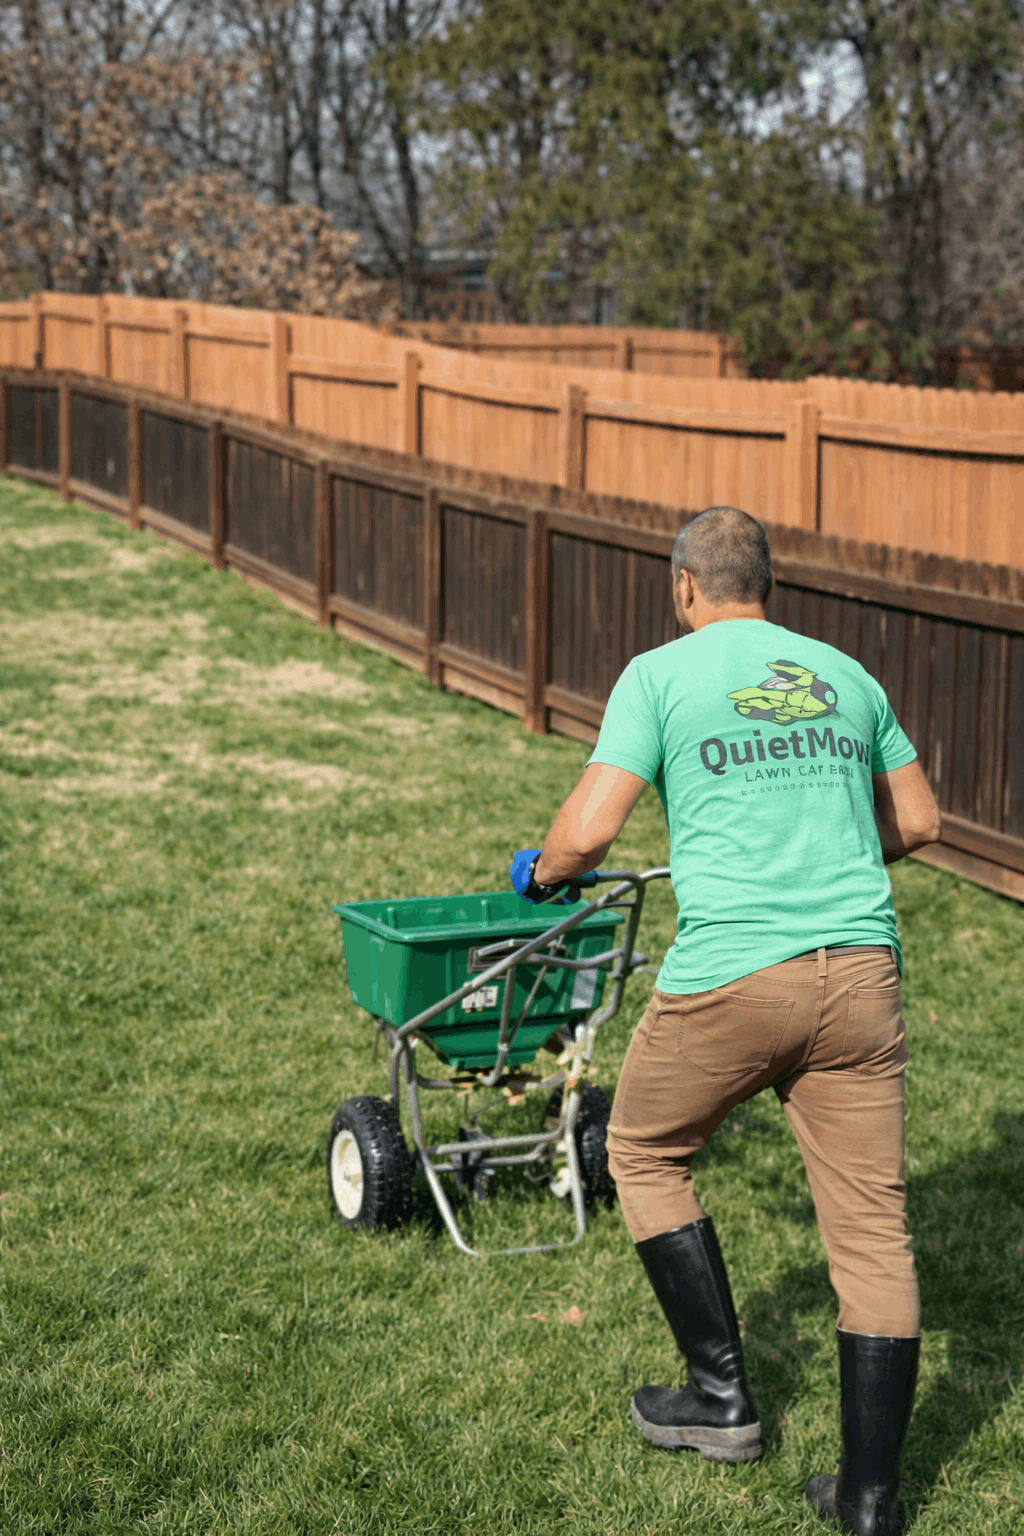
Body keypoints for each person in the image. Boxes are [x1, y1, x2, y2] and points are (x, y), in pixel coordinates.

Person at [510, 506, 941, 1536]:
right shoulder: (846, 674)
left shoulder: (659, 675)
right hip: (861, 977)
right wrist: (825, 864)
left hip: (734, 978)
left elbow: (590, 828)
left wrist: (542, 873)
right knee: (873, 1238)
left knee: (644, 1149)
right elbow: (920, 820)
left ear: (685, 588)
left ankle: (721, 1401)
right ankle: (872, 1506)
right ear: (769, 587)